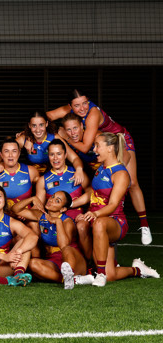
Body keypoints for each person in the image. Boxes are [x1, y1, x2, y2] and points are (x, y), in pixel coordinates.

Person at [48, 89, 151, 245]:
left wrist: (65, 136)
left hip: (119, 140)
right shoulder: (70, 112)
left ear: (88, 101)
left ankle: (144, 225)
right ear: (70, 106)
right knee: (98, 185)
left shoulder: (93, 114)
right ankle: (101, 225)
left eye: (84, 103)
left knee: (130, 182)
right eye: (76, 106)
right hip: (99, 147)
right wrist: (30, 131)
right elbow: (46, 117)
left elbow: (85, 146)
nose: (81, 108)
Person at [74, 133, 159, 287]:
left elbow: (113, 205)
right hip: (98, 223)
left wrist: (94, 214)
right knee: (111, 275)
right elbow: (93, 194)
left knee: (99, 223)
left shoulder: (120, 173)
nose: (94, 149)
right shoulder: (101, 168)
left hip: (115, 223)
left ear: (110, 148)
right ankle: (138, 270)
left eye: (97, 145)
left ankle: (99, 274)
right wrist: (70, 204)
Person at [11, 191, 87, 289]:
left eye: (57, 201)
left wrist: (58, 222)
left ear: (63, 209)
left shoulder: (67, 221)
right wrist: (32, 198)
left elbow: (64, 245)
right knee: (33, 264)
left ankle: (71, 275)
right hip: (53, 260)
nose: (51, 200)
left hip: (72, 260)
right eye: (52, 196)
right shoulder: (41, 215)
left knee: (67, 249)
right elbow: (15, 210)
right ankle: (70, 280)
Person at [14, 110, 85, 181]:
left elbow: (75, 158)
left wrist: (79, 170)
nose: (38, 130)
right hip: (32, 179)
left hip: (52, 178)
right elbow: (5, 153)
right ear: (29, 125)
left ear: (46, 124)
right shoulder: (23, 139)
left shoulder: (54, 137)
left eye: (41, 125)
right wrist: (2, 164)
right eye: (34, 126)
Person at [35, 139, 89, 220]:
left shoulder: (77, 172)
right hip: (55, 222)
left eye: (59, 154)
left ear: (65, 155)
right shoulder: (43, 180)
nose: (55, 158)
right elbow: (38, 206)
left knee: (82, 226)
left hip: (78, 218)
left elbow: (91, 193)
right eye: (52, 154)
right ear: (48, 156)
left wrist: (72, 204)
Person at [0, 138, 40, 210]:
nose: (10, 155)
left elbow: (41, 195)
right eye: (6, 151)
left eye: (14, 151)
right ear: (1, 155)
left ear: (19, 153)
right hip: (4, 218)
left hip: (26, 218)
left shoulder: (31, 171)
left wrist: (28, 213)